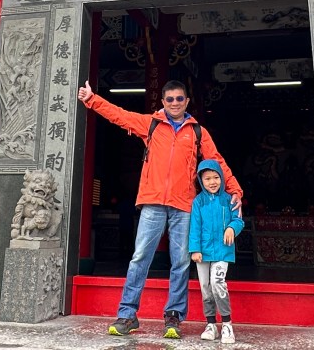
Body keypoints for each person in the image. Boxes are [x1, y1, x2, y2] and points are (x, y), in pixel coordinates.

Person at [77, 79, 243, 339]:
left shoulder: (197, 131)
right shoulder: (151, 124)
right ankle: (127, 314)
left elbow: (216, 161)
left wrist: (234, 190)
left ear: (187, 101)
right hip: (152, 202)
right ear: (163, 102)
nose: (175, 103)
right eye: (170, 99)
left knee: (181, 262)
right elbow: (120, 116)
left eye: (179, 99)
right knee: (140, 258)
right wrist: (91, 99)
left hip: (183, 205)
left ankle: (173, 316)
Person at [190, 160, 245, 345]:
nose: (212, 182)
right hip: (203, 252)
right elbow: (195, 227)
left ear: (221, 177)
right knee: (205, 287)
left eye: (216, 177)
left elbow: (238, 220)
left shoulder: (230, 199)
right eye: (207, 179)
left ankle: (227, 324)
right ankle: (211, 324)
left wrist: (231, 228)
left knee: (217, 283)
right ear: (201, 180)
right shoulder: (198, 202)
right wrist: (195, 249)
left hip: (222, 251)